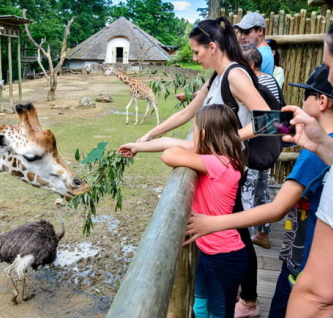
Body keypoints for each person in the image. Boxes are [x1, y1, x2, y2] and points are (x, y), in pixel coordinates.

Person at [128, 16, 272, 317]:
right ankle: (246, 298)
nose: (194, 58)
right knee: (237, 231)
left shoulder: (235, 75)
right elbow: (188, 112)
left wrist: (225, 142)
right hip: (220, 161)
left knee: (238, 233)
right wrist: (150, 134)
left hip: (229, 165)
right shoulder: (215, 78)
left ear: (212, 47)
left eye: (196, 52)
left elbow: (271, 121)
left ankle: (248, 300)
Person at [181, 63, 333, 317]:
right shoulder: (317, 139)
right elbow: (273, 125)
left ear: (321, 102)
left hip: (307, 263)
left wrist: (213, 223)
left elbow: (277, 208)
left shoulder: (313, 154)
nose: (299, 102)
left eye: (305, 95)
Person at [119, 104, 248, 317]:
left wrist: (192, 145)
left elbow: (169, 154)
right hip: (208, 251)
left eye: (195, 130)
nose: (192, 135)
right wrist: (137, 146)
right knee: (199, 307)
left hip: (225, 256)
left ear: (204, 134)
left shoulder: (221, 164)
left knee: (218, 313)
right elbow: (169, 142)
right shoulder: (220, 157)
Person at [282, 22, 333, 317]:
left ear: (322, 101)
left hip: (303, 267)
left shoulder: (309, 158)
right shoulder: (320, 147)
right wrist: (323, 146)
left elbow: (319, 295)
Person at [241, 47, 282, 250]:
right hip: (267, 146)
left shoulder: (256, 84)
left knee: (247, 193)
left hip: (256, 147)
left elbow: (266, 119)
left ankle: (245, 241)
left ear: (249, 65)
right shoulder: (271, 80)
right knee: (261, 191)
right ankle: (262, 234)